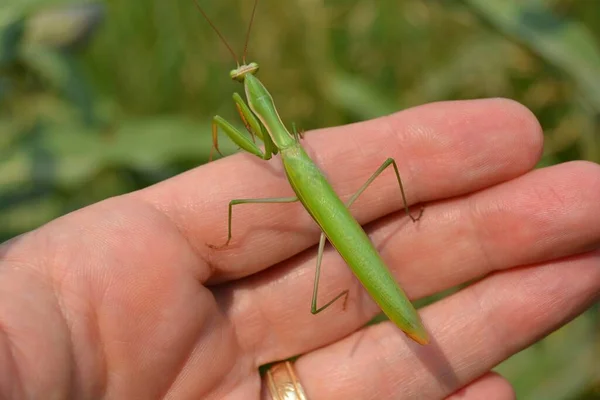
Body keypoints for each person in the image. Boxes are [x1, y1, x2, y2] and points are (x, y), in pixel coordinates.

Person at [1, 99, 599, 399]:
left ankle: (396, 309)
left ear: (254, 98)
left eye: (247, 81)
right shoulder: (296, 146)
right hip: (334, 221)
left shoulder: (288, 155)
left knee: (244, 212)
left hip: (332, 230)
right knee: (385, 174)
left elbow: (253, 158)